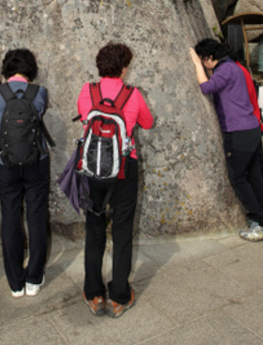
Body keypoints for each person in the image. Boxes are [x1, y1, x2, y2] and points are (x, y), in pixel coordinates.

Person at [77, 42, 153, 318]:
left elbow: (86, 119)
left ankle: (93, 293)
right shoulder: (133, 95)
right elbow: (147, 122)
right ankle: (120, 296)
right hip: (123, 169)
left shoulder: (88, 91)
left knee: (94, 230)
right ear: (123, 68)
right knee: (122, 231)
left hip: (93, 170)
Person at [189, 38, 263, 241]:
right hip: (250, 128)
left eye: (203, 59)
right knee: (255, 176)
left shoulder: (224, 70)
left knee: (238, 178)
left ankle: (258, 221)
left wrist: (197, 65)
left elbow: (206, 88)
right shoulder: (233, 67)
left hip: (237, 131)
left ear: (208, 58)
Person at [0, 49, 50, 298]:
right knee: (36, 216)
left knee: (10, 217)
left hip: (6, 163)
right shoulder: (40, 93)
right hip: (37, 161)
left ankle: (15, 282)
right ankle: (34, 278)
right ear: (31, 69)